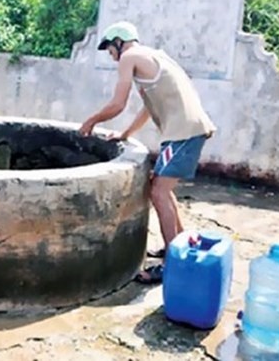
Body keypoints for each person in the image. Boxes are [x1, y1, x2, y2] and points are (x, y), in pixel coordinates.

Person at [79, 21, 217, 285]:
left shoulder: (129, 57)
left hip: (183, 133)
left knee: (158, 192)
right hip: (183, 132)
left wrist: (92, 121)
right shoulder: (154, 57)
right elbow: (148, 107)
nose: (111, 55)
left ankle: (171, 265)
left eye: (110, 49)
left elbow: (118, 104)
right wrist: (125, 134)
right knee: (161, 187)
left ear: (119, 42)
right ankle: (177, 245)